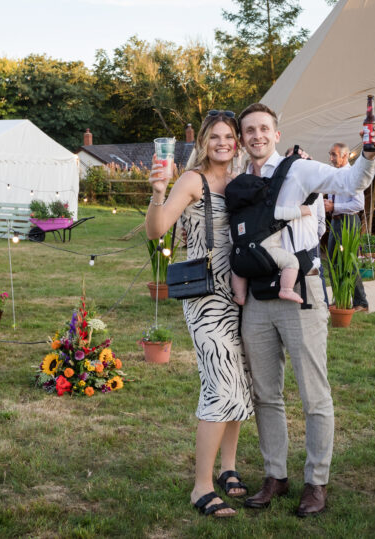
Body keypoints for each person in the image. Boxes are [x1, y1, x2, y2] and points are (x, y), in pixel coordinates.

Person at [236, 103, 375, 518]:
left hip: (301, 290)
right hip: (257, 297)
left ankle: (316, 481)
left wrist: (370, 153)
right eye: (249, 130)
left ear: (276, 134)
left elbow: (351, 181)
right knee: (265, 394)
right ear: (242, 138)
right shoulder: (239, 180)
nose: (257, 136)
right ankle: (275, 475)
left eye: (264, 129)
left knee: (313, 393)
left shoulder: (299, 170)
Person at [145, 111, 253, 519]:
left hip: (241, 294)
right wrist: (159, 192)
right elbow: (157, 230)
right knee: (220, 385)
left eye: (229, 136)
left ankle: (228, 467)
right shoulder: (193, 181)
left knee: (240, 382)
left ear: (237, 142)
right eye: (215, 137)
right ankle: (201, 486)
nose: (223, 143)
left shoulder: (241, 178)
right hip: (206, 296)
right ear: (203, 142)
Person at [324, 143, 369, 313]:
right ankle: (339, 299)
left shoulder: (352, 175)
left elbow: (359, 204)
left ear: (345, 156)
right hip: (335, 221)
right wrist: (328, 204)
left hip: (348, 221)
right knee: (333, 262)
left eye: (334, 155)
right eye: (330, 154)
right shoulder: (334, 174)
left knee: (348, 262)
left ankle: (361, 302)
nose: (331, 158)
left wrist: (334, 206)